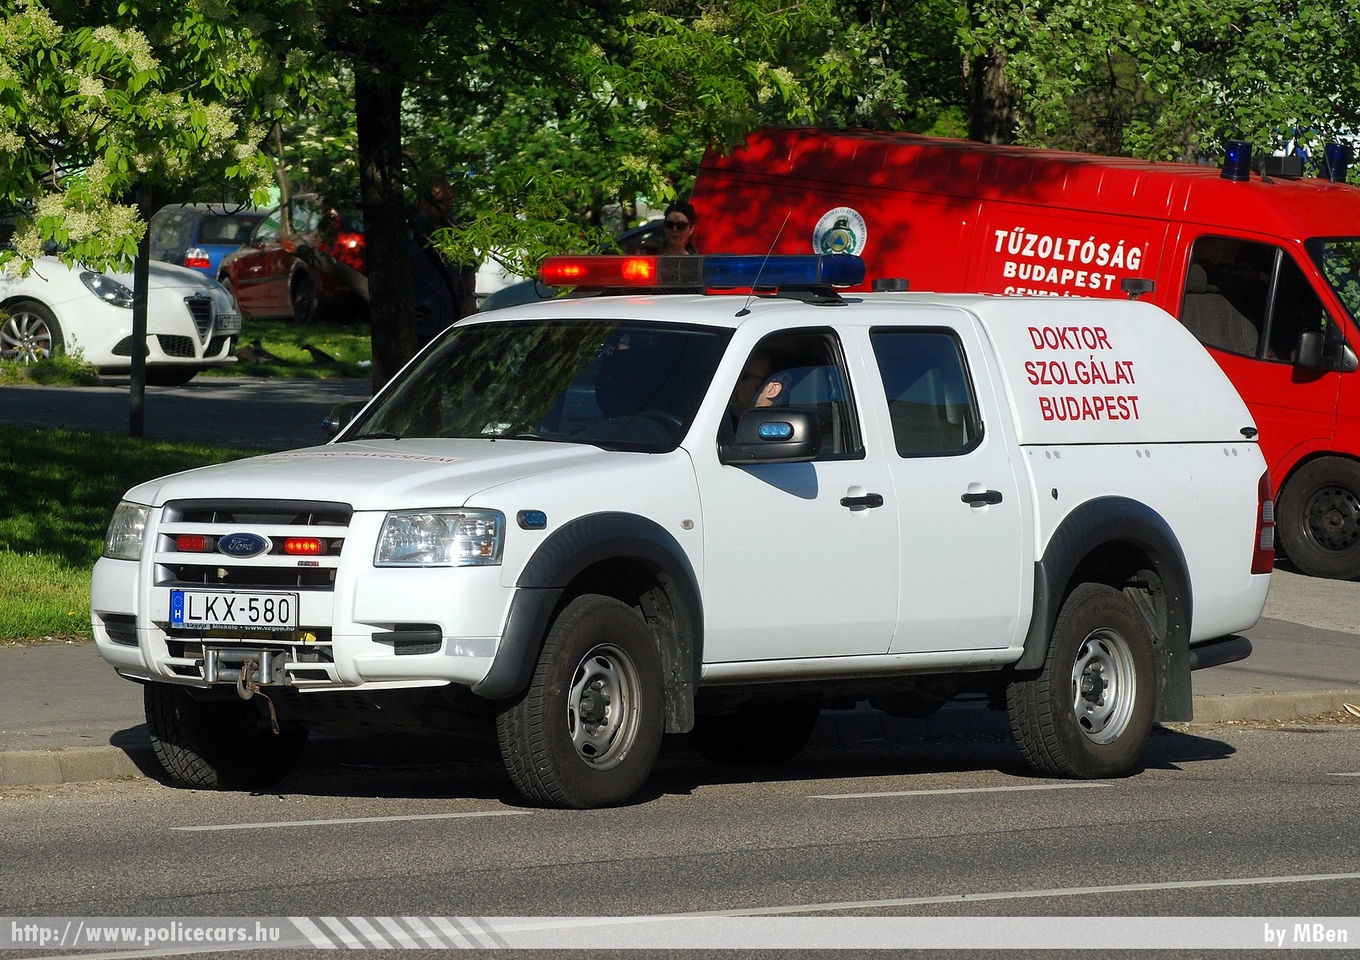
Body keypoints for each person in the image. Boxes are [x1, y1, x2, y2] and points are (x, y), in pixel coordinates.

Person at [409, 176, 478, 345]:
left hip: (450, 328)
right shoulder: (408, 235)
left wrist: (470, 296)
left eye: (451, 200)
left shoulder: (457, 234)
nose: (448, 206)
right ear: (425, 202)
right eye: (442, 201)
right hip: (420, 330)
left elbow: (468, 268)